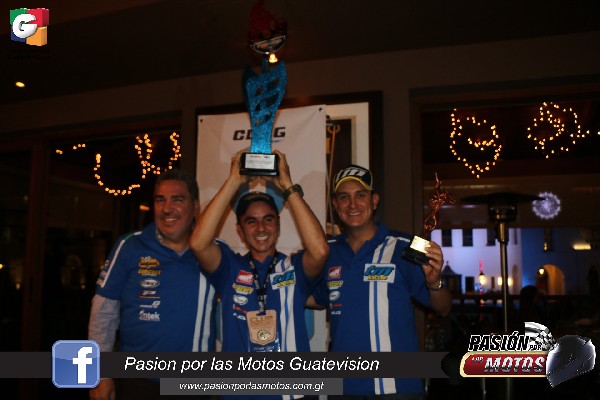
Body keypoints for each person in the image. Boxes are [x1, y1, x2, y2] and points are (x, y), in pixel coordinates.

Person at [310, 164, 452, 399]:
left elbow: (444, 308)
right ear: (335, 205)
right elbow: (316, 298)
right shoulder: (328, 251)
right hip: (343, 388)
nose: (352, 205)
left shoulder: (405, 246)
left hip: (397, 388)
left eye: (361, 195)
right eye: (344, 197)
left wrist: (434, 282)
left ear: (374, 201)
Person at [88, 169, 217, 400]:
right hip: (138, 383)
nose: (167, 208)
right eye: (160, 200)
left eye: (177, 200)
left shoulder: (215, 253)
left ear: (196, 207)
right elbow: (103, 314)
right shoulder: (130, 245)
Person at [189, 149, 327, 363]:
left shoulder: (294, 267)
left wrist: (287, 185)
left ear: (278, 225)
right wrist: (234, 181)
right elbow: (198, 243)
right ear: (240, 230)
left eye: (268, 219)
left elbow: (320, 250)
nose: (261, 228)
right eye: (251, 221)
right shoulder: (230, 268)